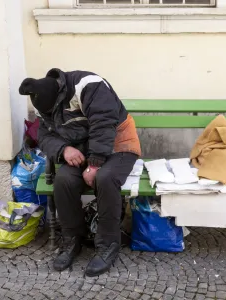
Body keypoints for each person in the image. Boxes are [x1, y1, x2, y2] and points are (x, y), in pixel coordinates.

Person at [19, 68, 141, 276]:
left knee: (105, 177)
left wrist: (94, 165)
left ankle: (107, 244)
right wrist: (63, 149)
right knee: (64, 180)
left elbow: (103, 124)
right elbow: (44, 136)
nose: (49, 116)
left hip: (119, 145)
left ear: (58, 96)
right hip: (84, 148)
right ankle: (72, 239)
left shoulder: (88, 85)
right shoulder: (44, 102)